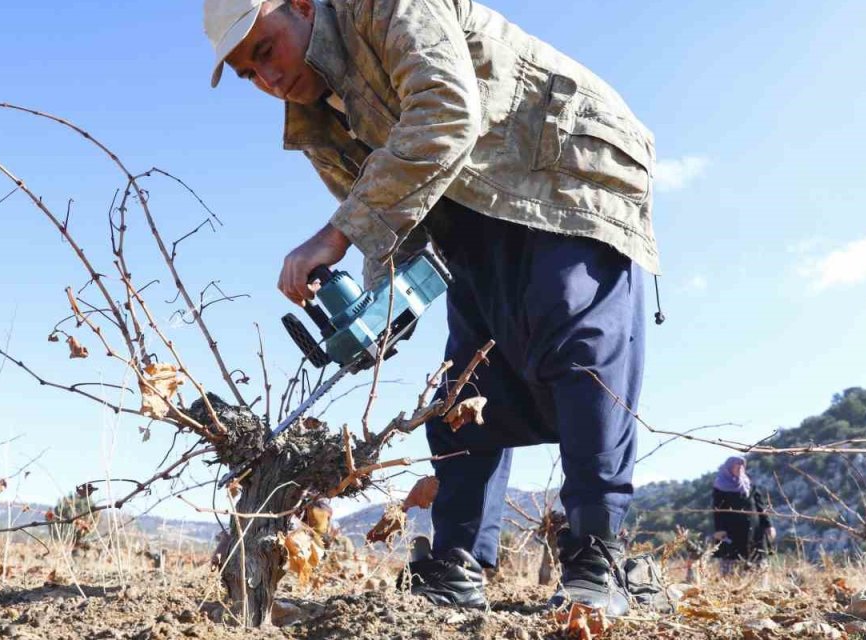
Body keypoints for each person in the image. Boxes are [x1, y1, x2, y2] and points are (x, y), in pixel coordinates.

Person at [203, 0, 658, 615]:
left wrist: (331, 236)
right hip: (471, 207)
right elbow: (391, 222)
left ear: (304, 7)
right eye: (247, 73)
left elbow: (445, 112)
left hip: (567, 165)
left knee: (575, 339)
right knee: (465, 382)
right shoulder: (316, 122)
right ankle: (456, 562)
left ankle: (594, 556)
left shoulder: (385, 8)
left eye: (265, 50)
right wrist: (380, 307)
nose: (268, 78)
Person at [711, 456, 775, 568]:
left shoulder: (749, 485)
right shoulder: (720, 486)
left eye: (742, 466)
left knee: (757, 564)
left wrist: (768, 525)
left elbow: (760, 506)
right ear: (729, 468)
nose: (740, 468)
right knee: (733, 565)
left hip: (755, 531)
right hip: (732, 532)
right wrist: (719, 529)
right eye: (737, 465)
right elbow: (718, 510)